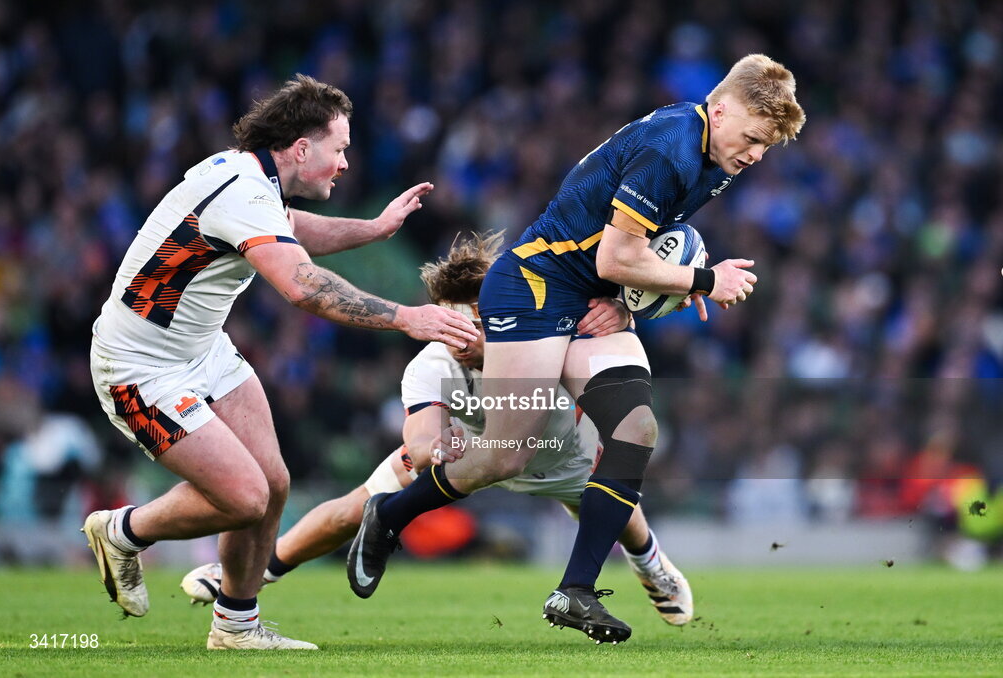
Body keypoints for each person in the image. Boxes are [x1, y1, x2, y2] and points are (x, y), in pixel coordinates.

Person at [348, 54, 805, 644]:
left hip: (589, 295)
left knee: (636, 427)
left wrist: (627, 298)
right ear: (719, 110)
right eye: (752, 139)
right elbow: (618, 255)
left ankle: (576, 590)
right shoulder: (671, 149)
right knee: (504, 457)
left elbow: (630, 253)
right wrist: (703, 281)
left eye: (767, 146)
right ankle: (389, 514)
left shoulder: (715, 154)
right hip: (536, 288)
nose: (755, 156)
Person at [84, 74, 479, 650]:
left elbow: (293, 231)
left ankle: (236, 627)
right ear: (302, 148)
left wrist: (371, 229)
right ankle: (121, 531)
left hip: (202, 351)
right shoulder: (244, 192)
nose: (345, 162)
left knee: (273, 483)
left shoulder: (251, 183)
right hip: (138, 367)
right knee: (244, 497)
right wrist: (405, 317)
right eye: (339, 148)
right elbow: (301, 285)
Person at [179, 232, 693, 631]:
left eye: (476, 326)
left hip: (560, 457)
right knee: (354, 507)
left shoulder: (551, 332)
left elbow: (624, 293)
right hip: (470, 457)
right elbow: (422, 434)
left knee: (620, 515)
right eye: (450, 328)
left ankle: (652, 565)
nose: (460, 339)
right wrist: (433, 449)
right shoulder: (429, 366)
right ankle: (248, 578)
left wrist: (630, 305)